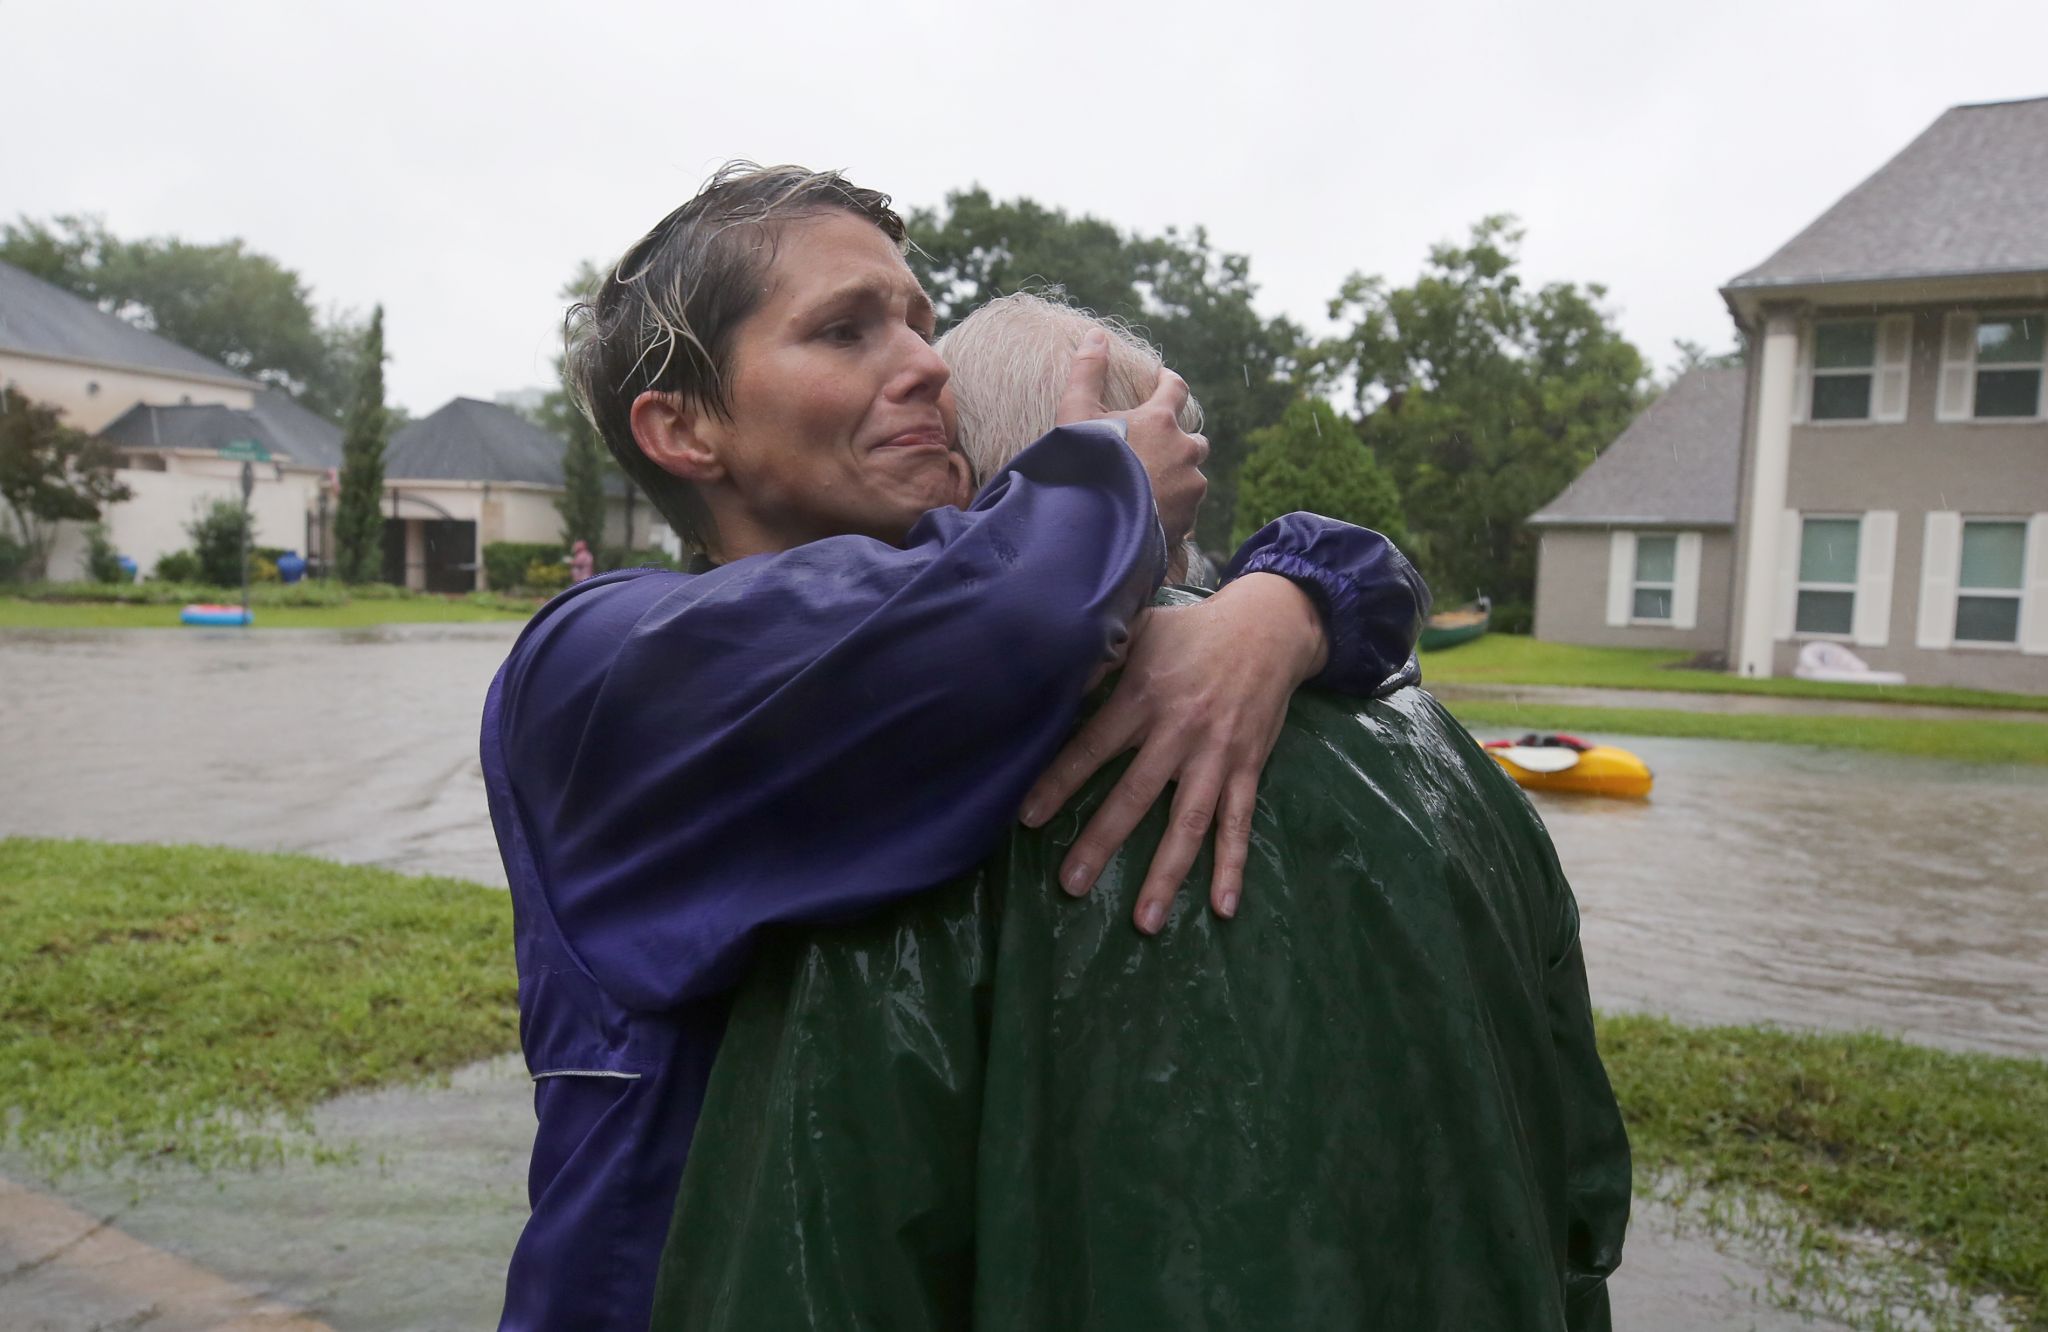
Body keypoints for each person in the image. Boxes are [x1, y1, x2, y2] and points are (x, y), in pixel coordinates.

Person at [481, 166, 1428, 1330]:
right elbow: (1000, 614)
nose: (925, 362)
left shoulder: (972, 607)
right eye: (845, 331)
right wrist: (1115, 484)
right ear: (681, 428)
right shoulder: (602, 661)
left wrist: (1279, 605)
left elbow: (1373, 586)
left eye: (921, 323)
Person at [649, 294, 1631, 1332]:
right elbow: (1580, 1186)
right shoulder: (1450, 763)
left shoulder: (922, 789)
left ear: (954, 490)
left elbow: (811, 1260)